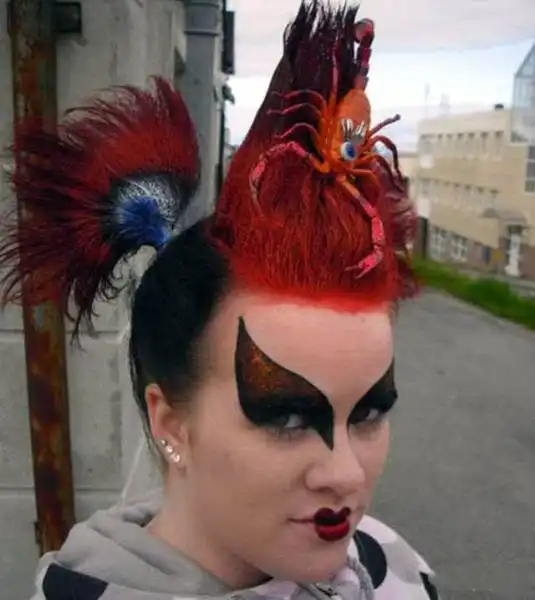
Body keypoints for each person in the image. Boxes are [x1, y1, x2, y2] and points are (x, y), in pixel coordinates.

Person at [0, 1, 440, 599]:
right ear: (171, 424)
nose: (345, 475)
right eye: (287, 418)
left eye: (367, 414)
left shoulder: (398, 569)